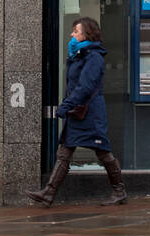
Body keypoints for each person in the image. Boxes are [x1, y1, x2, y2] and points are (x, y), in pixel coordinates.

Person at [26, 17, 126, 207]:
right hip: (78, 112)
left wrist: (65, 105)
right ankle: (48, 193)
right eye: (72, 31)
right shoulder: (79, 54)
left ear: (87, 34)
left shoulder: (93, 57)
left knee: (103, 152)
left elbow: (85, 87)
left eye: (76, 31)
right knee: (65, 152)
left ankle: (119, 191)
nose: (72, 34)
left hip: (90, 113)